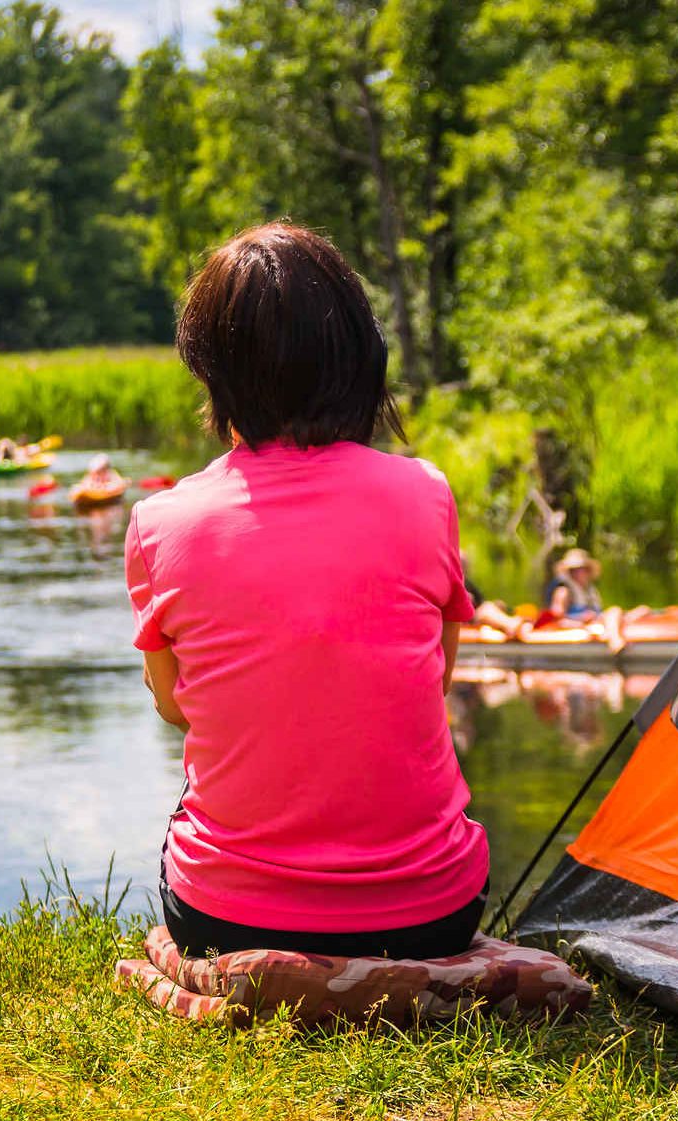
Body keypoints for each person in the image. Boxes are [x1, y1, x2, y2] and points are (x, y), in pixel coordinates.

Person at [126, 222, 489, 960]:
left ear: (212, 367)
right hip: (434, 914)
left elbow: (175, 707)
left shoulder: (161, 522)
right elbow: (438, 676)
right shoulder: (427, 494)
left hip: (226, 920)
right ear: (355, 355)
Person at [543, 547, 627, 654]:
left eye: (583, 569)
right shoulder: (563, 591)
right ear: (570, 572)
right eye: (575, 570)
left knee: (623, 611)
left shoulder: (590, 591)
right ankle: (615, 641)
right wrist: (581, 620)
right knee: (614, 611)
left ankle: (613, 636)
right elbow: (555, 619)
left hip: (595, 623)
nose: (580, 573)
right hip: (576, 628)